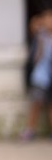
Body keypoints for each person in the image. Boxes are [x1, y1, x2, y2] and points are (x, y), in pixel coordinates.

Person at [20, 9, 52, 141]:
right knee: (36, 104)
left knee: (51, 105)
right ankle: (30, 130)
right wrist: (42, 21)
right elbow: (33, 24)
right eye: (48, 19)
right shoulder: (41, 36)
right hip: (40, 76)